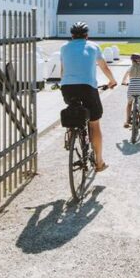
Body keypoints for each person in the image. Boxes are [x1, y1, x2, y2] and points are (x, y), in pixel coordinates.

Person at [60, 21, 117, 171]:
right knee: (94, 124)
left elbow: (63, 71)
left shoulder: (64, 48)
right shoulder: (93, 46)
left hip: (67, 88)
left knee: (73, 107)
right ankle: (99, 162)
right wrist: (112, 80)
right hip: (87, 88)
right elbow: (104, 66)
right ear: (87, 35)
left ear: (72, 36)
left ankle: (73, 130)